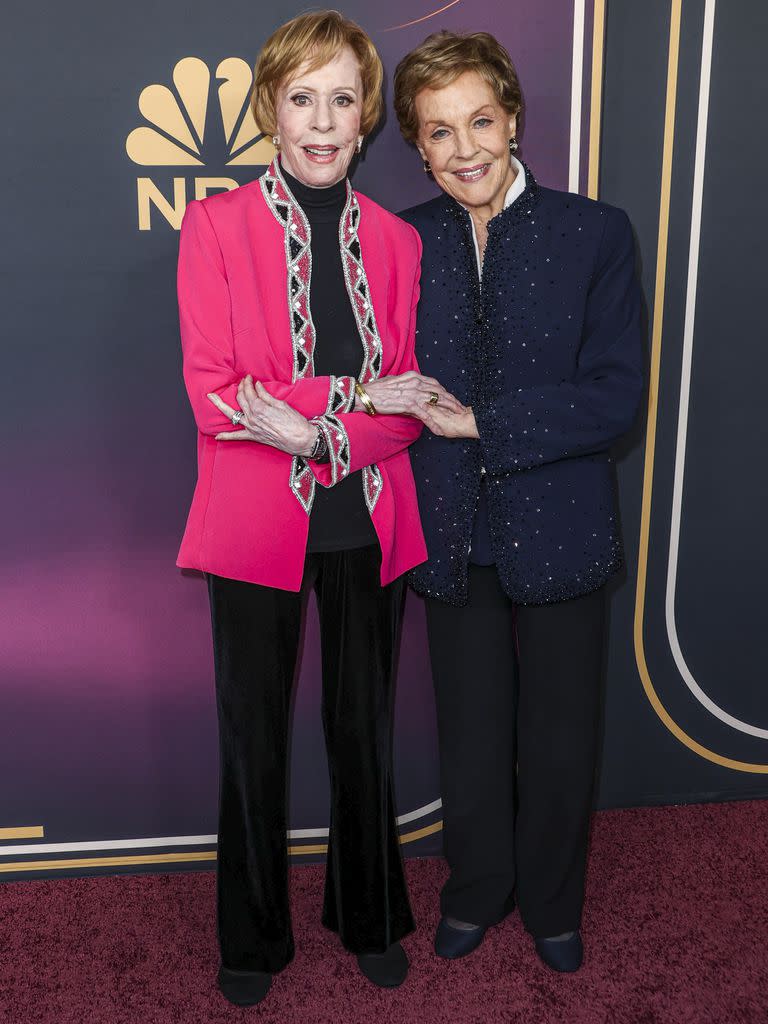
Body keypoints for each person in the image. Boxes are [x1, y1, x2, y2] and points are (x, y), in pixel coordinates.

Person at [175, 10, 449, 1006]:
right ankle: (250, 938)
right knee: (251, 737)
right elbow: (213, 387)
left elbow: (411, 398)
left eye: (343, 99)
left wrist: (316, 428)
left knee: (363, 730)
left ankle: (368, 912)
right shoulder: (211, 227)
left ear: (367, 114)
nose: (323, 121)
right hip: (254, 525)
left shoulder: (396, 241)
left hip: (370, 519)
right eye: (303, 99)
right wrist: (351, 400)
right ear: (270, 112)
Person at [386, 30, 644, 972]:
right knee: (471, 731)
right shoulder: (402, 238)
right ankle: (476, 887)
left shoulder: (596, 232)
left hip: (563, 522)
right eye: (439, 132)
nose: (464, 150)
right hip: (450, 528)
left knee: (563, 731)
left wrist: (481, 424)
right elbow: (385, 375)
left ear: (514, 119)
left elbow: (615, 396)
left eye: (479, 122)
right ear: (418, 145)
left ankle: (552, 903)